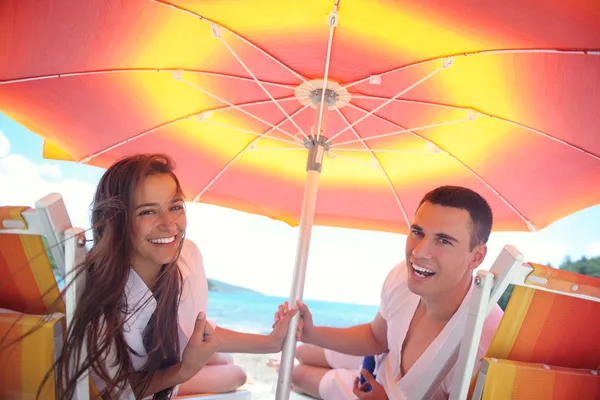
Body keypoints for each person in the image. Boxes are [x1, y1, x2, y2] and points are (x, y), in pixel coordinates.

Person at [45, 153, 297, 399]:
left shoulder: (187, 257)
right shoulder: (101, 302)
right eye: (147, 212)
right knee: (232, 374)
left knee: (232, 368)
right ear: (113, 221)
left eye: (175, 206)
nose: (169, 224)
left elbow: (196, 328)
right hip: (146, 384)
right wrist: (183, 370)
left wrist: (270, 343)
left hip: (165, 363)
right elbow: (111, 392)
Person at [277, 185, 504, 399]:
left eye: (443, 240)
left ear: (476, 256)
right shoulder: (404, 277)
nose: (419, 251)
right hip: (378, 359)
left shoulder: (480, 346)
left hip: (383, 393)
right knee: (301, 352)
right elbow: (376, 337)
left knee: (296, 375)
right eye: (417, 232)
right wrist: (309, 332)